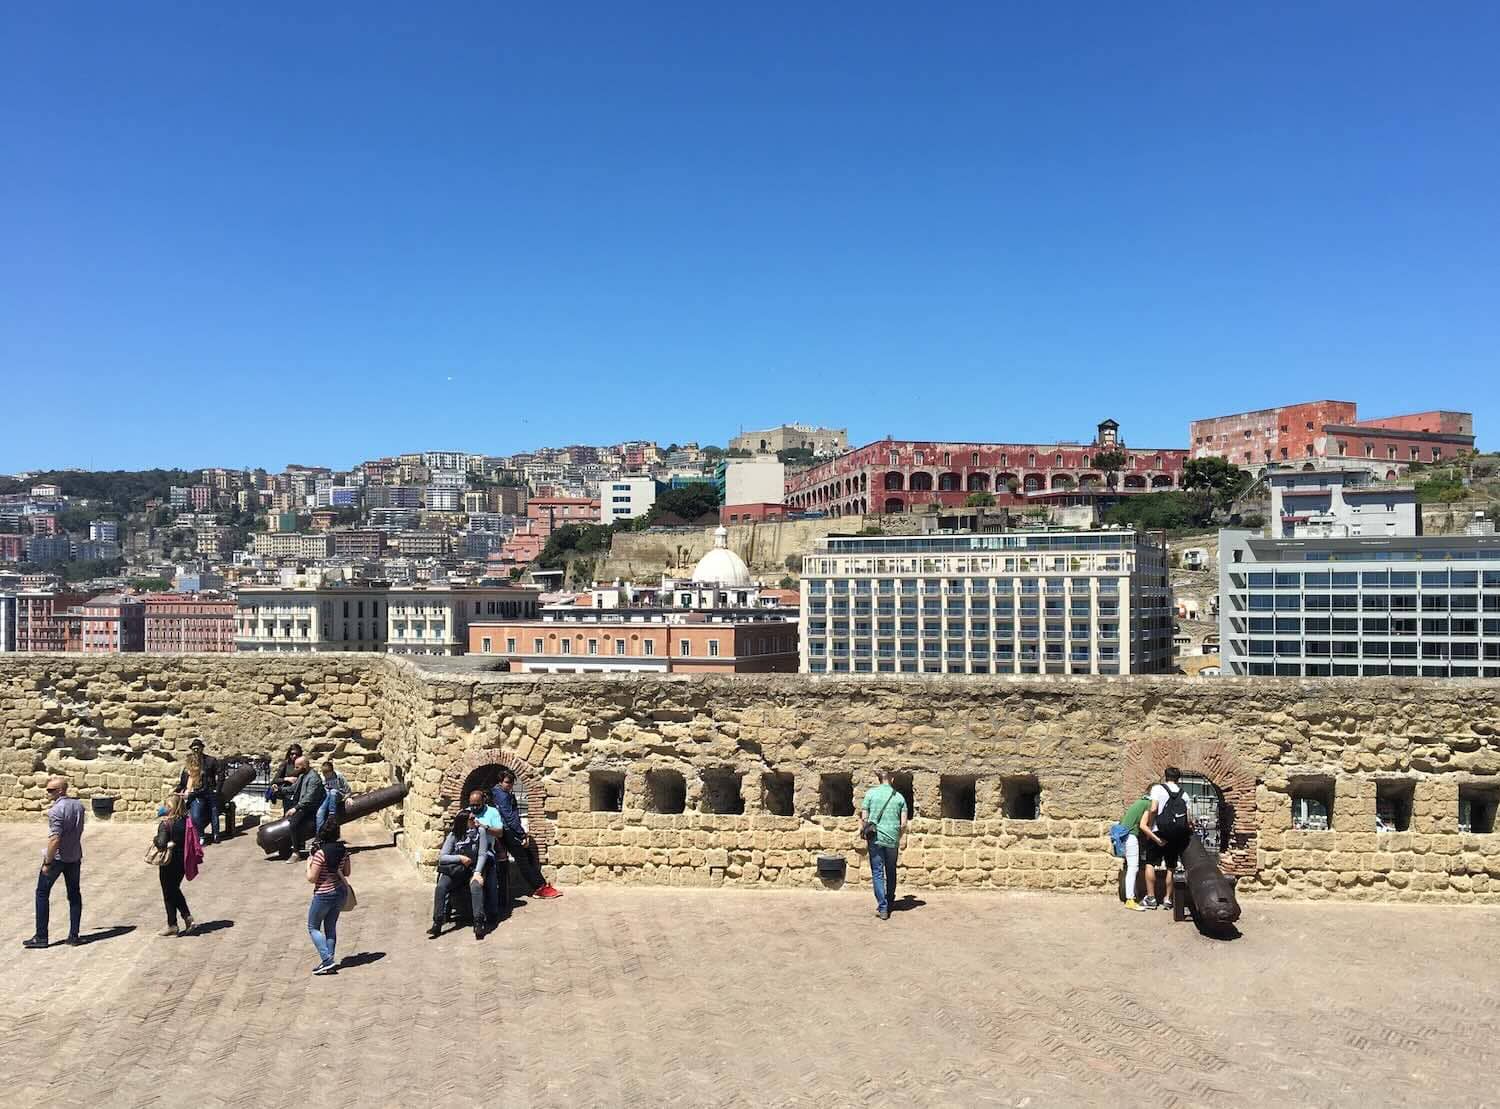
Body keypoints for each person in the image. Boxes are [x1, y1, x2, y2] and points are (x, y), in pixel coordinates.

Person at [25, 776, 85, 949]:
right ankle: (74, 936)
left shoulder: (56, 811)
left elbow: (55, 840)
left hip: (58, 858)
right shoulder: (79, 806)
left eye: (50, 790)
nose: (47, 792)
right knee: (74, 894)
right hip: (75, 856)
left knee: (42, 893)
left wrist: (47, 862)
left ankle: (41, 936)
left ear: (60, 790)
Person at [486, 769, 562, 901]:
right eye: (507, 782)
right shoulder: (502, 795)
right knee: (523, 860)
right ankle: (539, 888)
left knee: (528, 857)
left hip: (508, 830)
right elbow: (509, 817)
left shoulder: (499, 792)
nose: (509, 785)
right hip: (508, 831)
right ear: (500, 781)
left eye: (511, 783)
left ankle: (541, 884)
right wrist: (522, 835)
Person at [1140, 766, 1194, 911]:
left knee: (1150, 863)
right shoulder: (1184, 794)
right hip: (1175, 834)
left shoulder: (1157, 789)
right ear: (1178, 779)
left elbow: (1153, 809)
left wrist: (1151, 825)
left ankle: (1151, 898)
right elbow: (1189, 819)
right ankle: (1167, 899)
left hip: (1158, 830)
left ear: (1165, 776)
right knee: (1171, 867)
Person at [429, 810, 490, 939]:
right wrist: (460, 858)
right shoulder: (454, 835)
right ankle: (437, 922)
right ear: (464, 822)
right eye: (471, 819)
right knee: (441, 887)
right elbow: (443, 857)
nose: (475, 821)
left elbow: (482, 854)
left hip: (473, 869)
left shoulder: (481, 832)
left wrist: (478, 872)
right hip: (456, 869)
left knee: (476, 886)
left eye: (474, 818)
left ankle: (478, 922)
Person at [859, 770, 908, 921]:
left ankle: (883, 907)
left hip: (875, 837)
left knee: (877, 872)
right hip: (892, 838)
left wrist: (864, 829)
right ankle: (890, 901)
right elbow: (904, 823)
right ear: (892, 779)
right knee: (891, 870)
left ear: (878, 778)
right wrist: (896, 836)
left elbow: (864, 816)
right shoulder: (899, 797)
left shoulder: (870, 794)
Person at [306, 818, 351, 975]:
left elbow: (312, 878)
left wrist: (308, 863)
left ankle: (327, 960)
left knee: (313, 927)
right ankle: (329, 962)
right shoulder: (343, 850)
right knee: (330, 927)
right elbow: (347, 872)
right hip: (339, 892)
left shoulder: (320, 853)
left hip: (323, 894)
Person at [154, 795, 197, 936]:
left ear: (172, 807)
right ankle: (174, 923)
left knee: (169, 892)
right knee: (173, 890)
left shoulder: (166, 824)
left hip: (169, 861)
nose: (164, 808)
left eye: (167, 805)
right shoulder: (187, 821)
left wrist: (155, 838)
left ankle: (180, 920)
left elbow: (161, 844)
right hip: (182, 860)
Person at [176, 742, 220, 843]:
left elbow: (204, 787)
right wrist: (175, 792)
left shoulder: (203, 772)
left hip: (198, 795)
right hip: (188, 796)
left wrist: (217, 789)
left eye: (197, 748)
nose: (193, 767)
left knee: (205, 814)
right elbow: (182, 784)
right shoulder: (186, 773)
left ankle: (206, 835)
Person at [288, 756, 327, 860]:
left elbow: (309, 798)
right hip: (303, 805)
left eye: (297, 767)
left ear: (304, 766)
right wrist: (278, 790)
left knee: (293, 825)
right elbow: (293, 788)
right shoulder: (303, 775)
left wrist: (295, 808)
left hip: (310, 807)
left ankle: (296, 853)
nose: (295, 769)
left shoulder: (314, 778)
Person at [1119, 793, 1151, 912]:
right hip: (1131, 837)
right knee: (1133, 868)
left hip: (1125, 836)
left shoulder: (1139, 802)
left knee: (1130, 867)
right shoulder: (1148, 804)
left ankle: (1131, 895)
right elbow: (1145, 825)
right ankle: (1130, 900)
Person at [314, 760, 351, 840]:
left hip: (337, 795)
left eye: (326, 773)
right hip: (327, 796)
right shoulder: (322, 778)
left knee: (333, 792)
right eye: (323, 773)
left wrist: (348, 797)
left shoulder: (338, 776)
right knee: (320, 812)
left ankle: (332, 814)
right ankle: (319, 836)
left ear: (331, 772)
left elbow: (347, 790)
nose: (325, 775)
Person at [270, 744, 304, 815]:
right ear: (289, 754)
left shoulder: (302, 763)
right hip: (288, 795)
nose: (294, 756)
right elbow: (275, 780)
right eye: (292, 754)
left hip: (300, 794)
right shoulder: (286, 764)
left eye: (297, 754)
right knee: (288, 815)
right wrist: (287, 779)